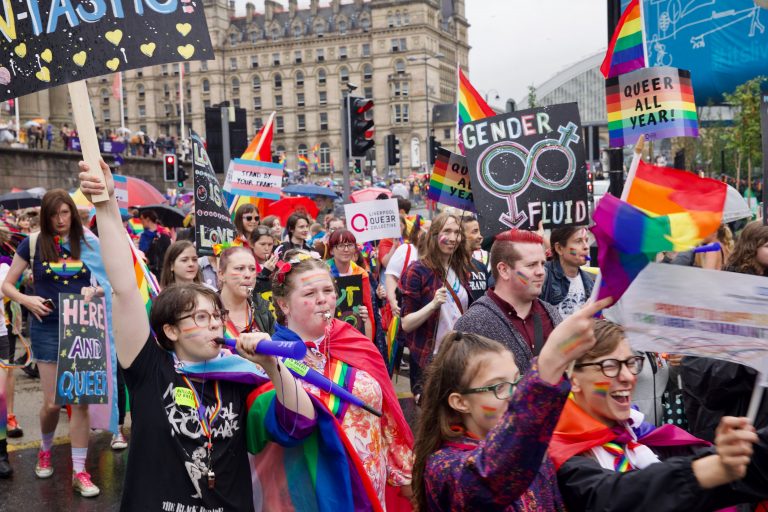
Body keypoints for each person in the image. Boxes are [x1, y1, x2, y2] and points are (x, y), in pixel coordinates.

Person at [78, 159, 314, 511]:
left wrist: (271, 366)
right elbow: (125, 286)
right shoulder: (149, 369)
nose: (215, 324)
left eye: (216, 316)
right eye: (200, 317)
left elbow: (300, 423)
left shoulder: (241, 374)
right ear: (170, 330)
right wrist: (108, 203)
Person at [413, 297, 611, 511]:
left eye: (518, 380)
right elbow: (488, 479)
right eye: (498, 387)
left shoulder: (532, 447)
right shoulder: (443, 466)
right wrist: (551, 361)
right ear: (460, 402)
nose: (515, 393)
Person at [551, 320, 768, 511]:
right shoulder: (559, 450)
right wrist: (710, 469)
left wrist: (735, 453)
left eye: (630, 363)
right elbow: (610, 498)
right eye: (609, 366)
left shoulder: (638, 433)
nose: (628, 377)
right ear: (573, 378)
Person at [259, 249, 414, 509]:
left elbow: (387, 412)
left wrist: (404, 470)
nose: (324, 300)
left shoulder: (355, 342)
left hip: (371, 483)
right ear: (283, 304)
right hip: (316, 490)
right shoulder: (271, 360)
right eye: (309, 294)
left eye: (328, 291)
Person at [1, 190, 110, 497]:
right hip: (47, 328)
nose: (60, 220)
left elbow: (108, 282)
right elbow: (8, 285)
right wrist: (28, 299)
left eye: (65, 213)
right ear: (45, 216)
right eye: (54, 214)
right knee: (53, 402)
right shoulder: (32, 243)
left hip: (83, 326)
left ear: (73, 214)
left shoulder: (88, 243)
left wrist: (95, 293)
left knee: (80, 401)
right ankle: (45, 450)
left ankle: (80, 470)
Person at [681, 220, 768, 442]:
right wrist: (753, 360)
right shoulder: (722, 296)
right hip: (731, 428)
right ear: (751, 246)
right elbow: (698, 374)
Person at [454, 229, 561, 374]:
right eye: (531, 265)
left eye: (542, 264)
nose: (541, 271)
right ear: (503, 270)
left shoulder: (551, 314)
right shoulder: (473, 323)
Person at [401, 213, 473, 397]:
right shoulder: (418, 270)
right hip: (430, 360)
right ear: (434, 235)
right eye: (446, 231)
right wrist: (432, 305)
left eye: (457, 232)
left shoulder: (462, 270)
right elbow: (406, 324)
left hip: (459, 355)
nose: (452, 238)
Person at [326, 229, 375, 340]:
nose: (346, 249)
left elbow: (368, 309)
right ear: (332, 250)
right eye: (341, 245)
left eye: (350, 245)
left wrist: (368, 342)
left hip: (355, 330)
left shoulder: (361, 274)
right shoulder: (323, 272)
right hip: (329, 331)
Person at [217, 246, 274, 336]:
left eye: (252, 269)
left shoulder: (264, 309)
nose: (248, 275)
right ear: (221, 274)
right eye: (240, 268)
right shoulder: (207, 311)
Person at [540, 226, 595, 318]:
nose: (586, 246)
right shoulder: (543, 275)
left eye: (586, 240)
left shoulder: (589, 282)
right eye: (578, 241)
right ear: (559, 248)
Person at [462, 216, 490, 301]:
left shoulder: (481, 267)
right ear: (461, 236)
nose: (480, 236)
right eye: (475, 232)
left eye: (479, 231)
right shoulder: (451, 268)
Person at [138, 209, 171, 277]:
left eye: (142, 219)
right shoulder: (144, 235)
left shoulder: (163, 233)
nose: (141, 222)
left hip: (161, 269)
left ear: (147, 219)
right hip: (150, 269)